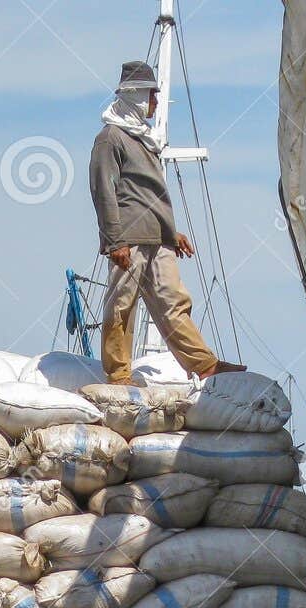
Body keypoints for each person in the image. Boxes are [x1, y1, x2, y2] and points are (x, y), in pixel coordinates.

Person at [89, 60, 246, 384]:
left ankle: (204, 364)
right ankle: (118, 374)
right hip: (128, 238)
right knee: (122, 306)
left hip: (157, 236)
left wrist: (171, 234)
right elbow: (104, 190)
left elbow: (149, 195)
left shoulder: (143, 139)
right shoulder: (111, 138)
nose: (156, 103)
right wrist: (115, 241)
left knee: (173, 301)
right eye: (152, 96)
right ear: (137, 96)